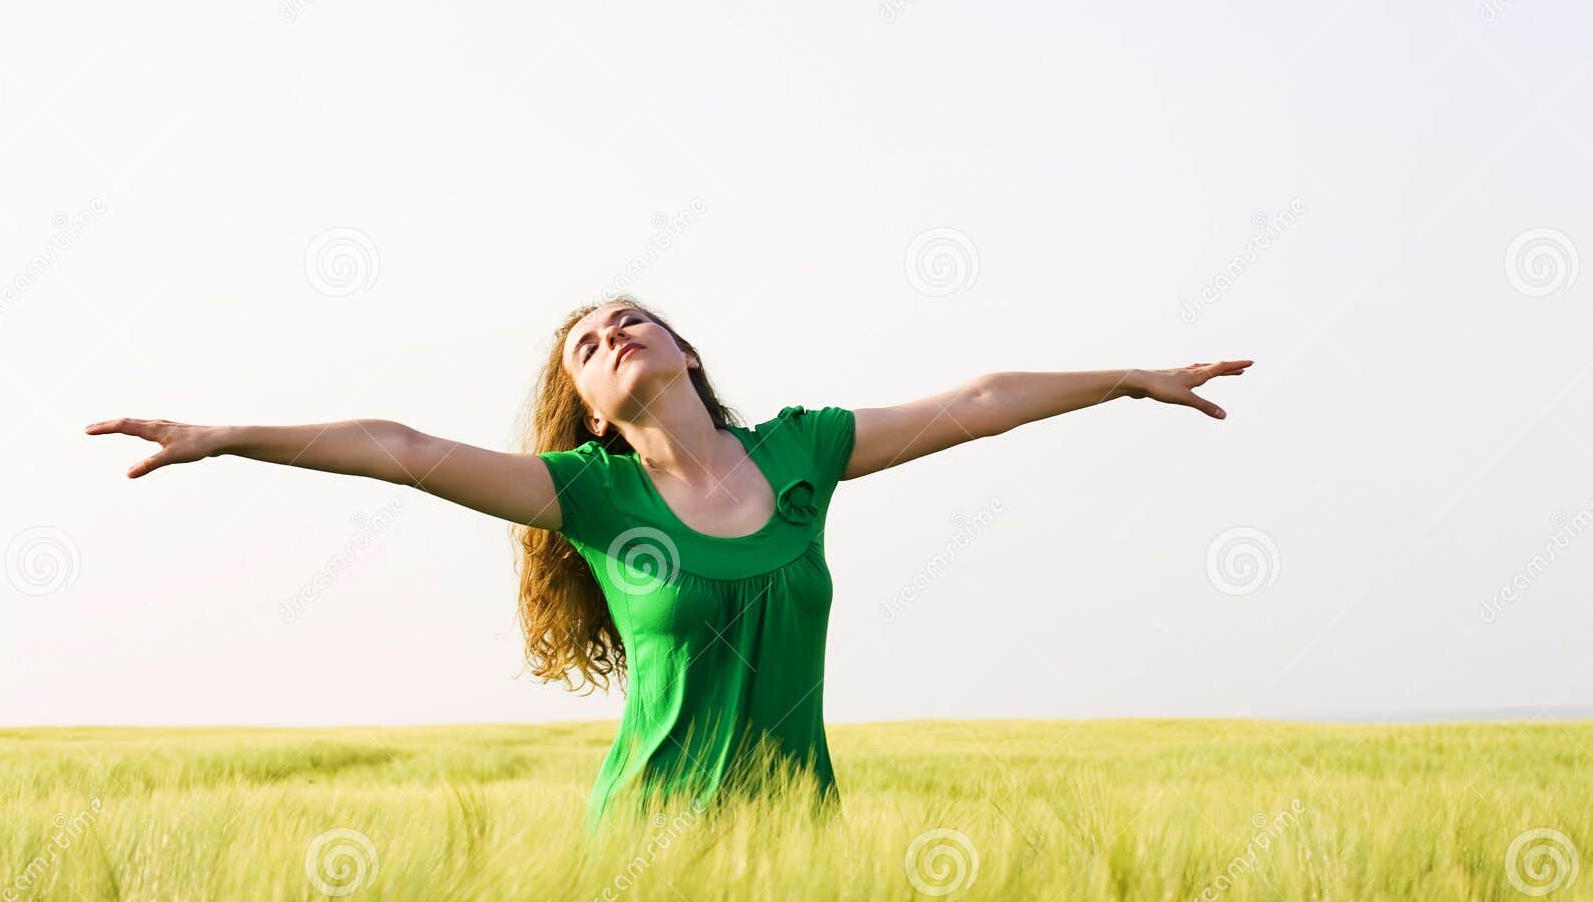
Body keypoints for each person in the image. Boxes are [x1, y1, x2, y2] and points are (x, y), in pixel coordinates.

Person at [86, 294, 1251, 835]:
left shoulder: (802, 452)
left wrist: (1125, 378)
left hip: (799, 838)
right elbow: (402, 450)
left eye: (630, 318)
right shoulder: (591, 494)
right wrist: (229, 435)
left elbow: (978, 401)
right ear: (587, 409)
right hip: (648, 839)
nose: (612, 334)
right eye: (586, 343)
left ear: (687, 348)